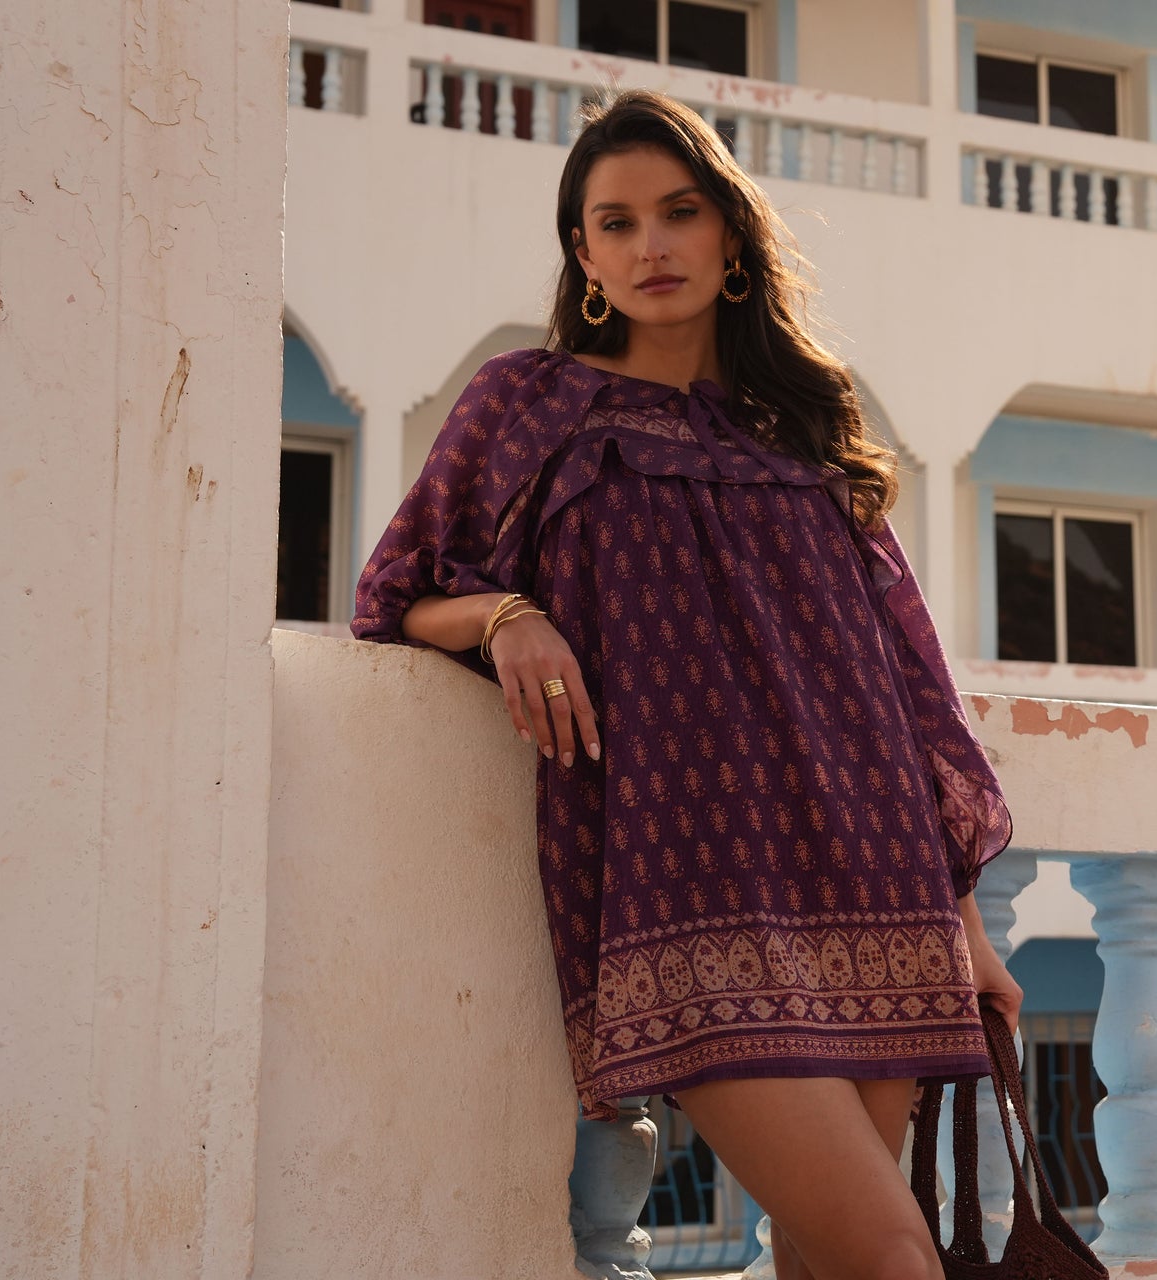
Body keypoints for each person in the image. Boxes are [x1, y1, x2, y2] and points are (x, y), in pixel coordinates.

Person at [352, 88, 1021, 1280]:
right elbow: (395, 589)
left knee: (834, 1263)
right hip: (687, 889)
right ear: (583, 253)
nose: (650, 246)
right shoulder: (525, 402)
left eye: (679, 212)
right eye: (616, 223)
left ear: (730, 236)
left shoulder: (804, 429)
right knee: (894, 1258)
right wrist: (507, 616)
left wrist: (964, 922)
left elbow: (906, 683)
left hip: (875, 877)